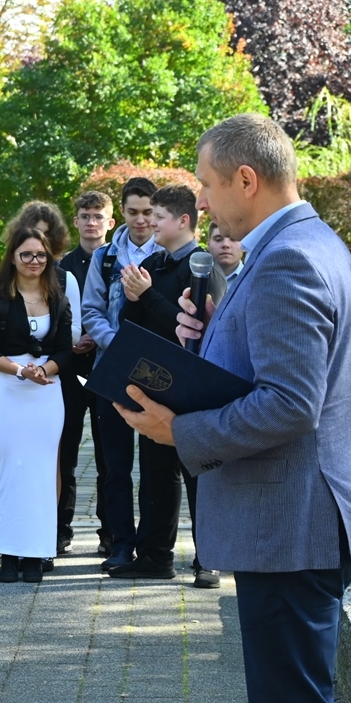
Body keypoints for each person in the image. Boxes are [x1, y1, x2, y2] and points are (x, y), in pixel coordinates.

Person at [124, 113, 351, 703]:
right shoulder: (300, 246)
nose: (200, 200)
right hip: (297, 522)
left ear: (246, 178)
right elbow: (273, 376)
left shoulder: (290, 259)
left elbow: (290, 405)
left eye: (206, 183)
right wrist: (206, 347)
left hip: (295, 527)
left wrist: (181, 431)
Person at [114, 183, 228, 584]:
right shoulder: (156, 263)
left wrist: (146, 296)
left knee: (198, 475)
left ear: (183, 221)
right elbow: (134, 323)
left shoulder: (201, 265)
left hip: (190, 388)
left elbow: (195, 330)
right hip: (153, 383)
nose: (151, 223)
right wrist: (133, 297)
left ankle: (208, 558)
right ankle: (154, 556)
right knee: (155, 474)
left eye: (159, 216)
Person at [0, 228, 76, 584]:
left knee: (41, 473)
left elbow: (65, 352)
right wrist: (22, 371)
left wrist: (43, 371)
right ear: (13, 257)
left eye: (40, 255)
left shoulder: (59, 300)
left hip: (47, 393)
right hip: (9, 390)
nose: (34, 261)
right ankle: (9, 553)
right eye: (26, 254)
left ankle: (37, 553)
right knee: (10, 472)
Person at [80, 175, 160, 573]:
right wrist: (117, 343)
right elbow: (91, 310)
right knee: (115, 466)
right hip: (111, 370)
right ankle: (120, 542)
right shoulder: (105, 257)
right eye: (133, 212)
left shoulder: (168, 253)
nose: (141, 220)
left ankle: (152, 544)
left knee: (156, 467)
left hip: (157, 375)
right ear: (122, 213)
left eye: (147, 212)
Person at [8, 201, 93, 556]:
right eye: (31, 237)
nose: (36, 247)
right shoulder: (2, 282)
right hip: (14, 382)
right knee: (18, 462)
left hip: (59, 379)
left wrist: (41, 357)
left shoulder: (65, 279)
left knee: (61, 460)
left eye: (44, 237)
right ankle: (15, 535)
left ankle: (57, 531)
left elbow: (72, 333)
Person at [60, 191, 115, 556]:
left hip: (107, 369)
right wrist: (69, 342)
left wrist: (98, 337)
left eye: (98, 216)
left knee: (110, 457)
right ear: (76, 221)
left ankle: (110, 533)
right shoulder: (60, 267)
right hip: (67, 371)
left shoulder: (119, 262)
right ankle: (60, 529)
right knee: (64, 454)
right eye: (85, 215)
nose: (91, 222)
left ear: (110, 222)